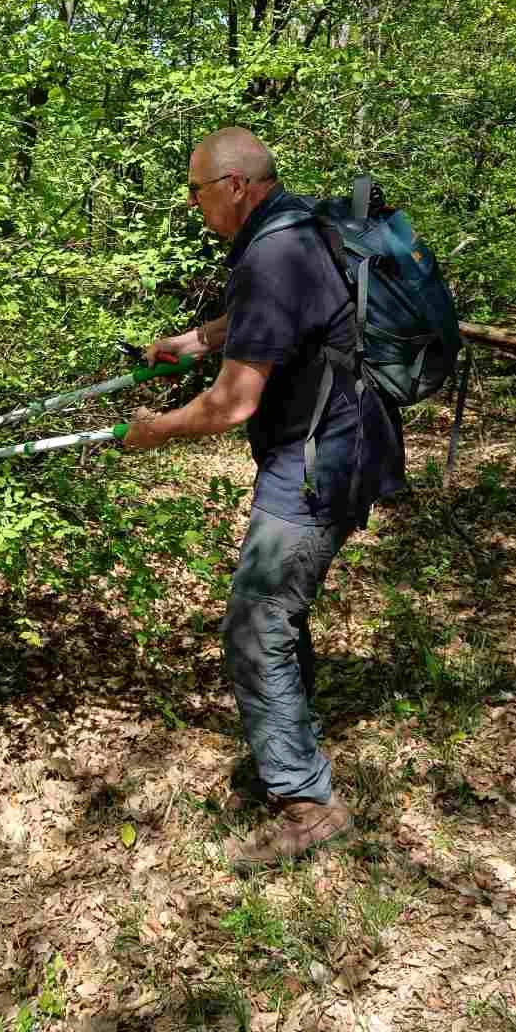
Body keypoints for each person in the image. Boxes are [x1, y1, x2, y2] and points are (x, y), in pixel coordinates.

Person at [123, 127, 405, 870]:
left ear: (237, 185)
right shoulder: (296, 228)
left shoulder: (272, 250)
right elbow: (277, 323)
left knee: (256, 618)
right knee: (279, 610)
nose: (194, 206)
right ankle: (296, 742)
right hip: (341, 444)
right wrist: (196, 339)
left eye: (197, 191)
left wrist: (154, 433)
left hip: (318, 462)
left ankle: (307, 805)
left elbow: (231, 406)